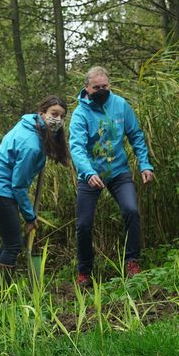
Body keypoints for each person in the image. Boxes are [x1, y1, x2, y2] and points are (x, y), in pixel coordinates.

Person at [68, 66, 154, 285]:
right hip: (91, 174)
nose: (102, 90)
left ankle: (132, 261)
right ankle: (85, 272)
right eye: (97, 87)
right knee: (84, 224)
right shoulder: (80, 114)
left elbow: (136, 135)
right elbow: (76, 148)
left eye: (105, 86)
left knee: (131, 210)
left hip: (118, 170)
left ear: (110, 85)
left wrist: (145, 164)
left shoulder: (120, 105)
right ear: (87, 88)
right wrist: (87, 172)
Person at [0, 96, 69, 270]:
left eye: (62, 117)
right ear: (42, 113)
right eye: (54, 114)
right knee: (14, 244)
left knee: (9, 239)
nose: (58, 120)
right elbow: (18, 186)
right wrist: (30, 217)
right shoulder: (32, 145)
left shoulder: (28, 124)